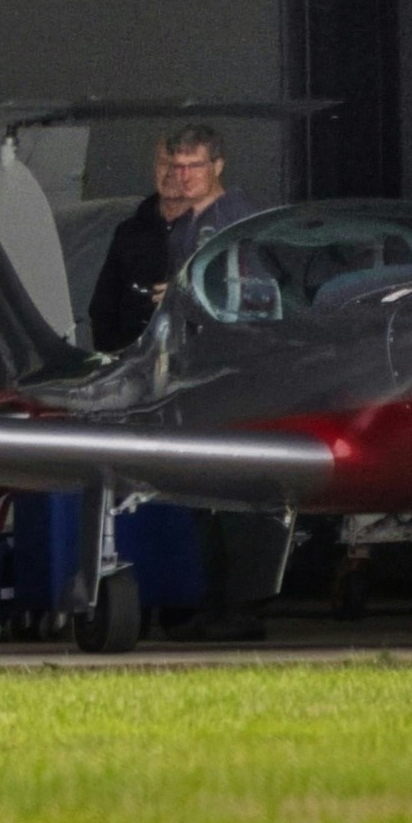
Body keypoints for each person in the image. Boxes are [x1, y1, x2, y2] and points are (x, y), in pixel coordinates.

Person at [86, 126, 287, 637]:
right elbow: (108, 308)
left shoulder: (241, 226)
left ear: (217, 166)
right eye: (172, 167)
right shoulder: (159, 228)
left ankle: (242, 608)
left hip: (234, 379)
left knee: (240, 492)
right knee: (196, 496)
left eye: (192, 166)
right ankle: (211, 603)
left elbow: (262, 303)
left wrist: (186, 301)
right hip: (180, 379)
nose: (180, 177)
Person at [83, 123, 243, 349]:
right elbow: (102, 308)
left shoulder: (225, 228)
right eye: (163, 163)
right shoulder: (129, 232)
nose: (170, 174)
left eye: (180, 166)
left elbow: (243, 304)